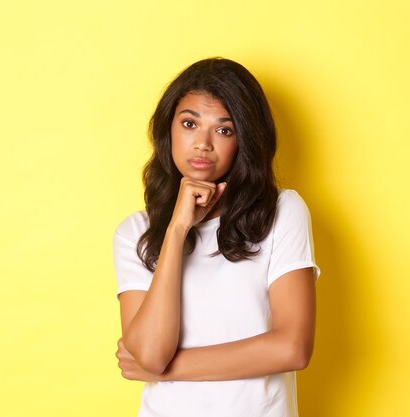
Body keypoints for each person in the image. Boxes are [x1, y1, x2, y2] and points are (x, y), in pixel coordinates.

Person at [113, 57, 319, 417]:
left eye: (224, 130)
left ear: (245, 140)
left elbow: (292, 348)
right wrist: (177, 230)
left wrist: (165, 369)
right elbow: (150, 351)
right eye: (190, 124)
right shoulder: (135, 233)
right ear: (169, 131)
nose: (203, 143)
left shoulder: (282, 212)